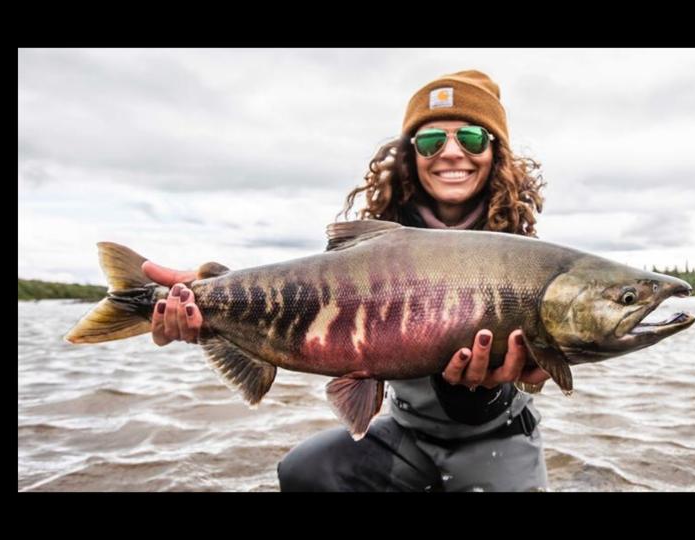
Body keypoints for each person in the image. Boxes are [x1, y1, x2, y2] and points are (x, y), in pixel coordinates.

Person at [142, 70, 551, 491]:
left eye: (471, 139)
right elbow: (297, 297)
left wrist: (486, 387)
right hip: (409, 435)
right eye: (430, 141)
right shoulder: (370, 247)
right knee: (307, 470)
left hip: (497, 438)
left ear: (494, 152)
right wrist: (207, 295)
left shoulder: (523, 259)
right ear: (412, 156)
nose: (450, 153)